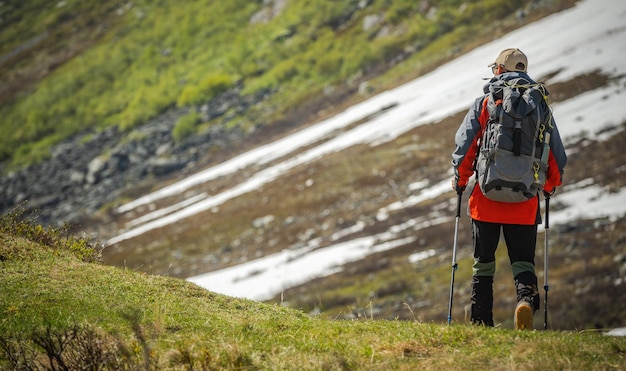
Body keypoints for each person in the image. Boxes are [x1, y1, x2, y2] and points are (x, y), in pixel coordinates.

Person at [451, 48, 567, 329]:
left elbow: (465, 145)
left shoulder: (485, 102)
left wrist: (461, 178)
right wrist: (550, 185)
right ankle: (525, 301)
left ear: (499, 70)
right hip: (524, 200)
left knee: (483, 264)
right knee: (524, 262)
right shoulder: (540, 106)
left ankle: (481, 322)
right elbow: (556, 154)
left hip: (486, 199)